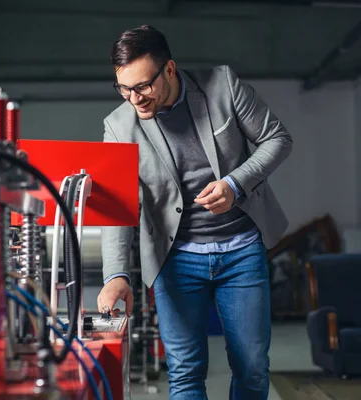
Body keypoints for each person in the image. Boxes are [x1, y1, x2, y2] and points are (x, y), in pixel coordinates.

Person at [97, 25, 292, 399]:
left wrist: (235, 185)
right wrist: (116, 275)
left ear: (169, 70)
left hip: (242, 250)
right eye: (123, 89)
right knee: (185, 372)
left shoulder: (223, 85)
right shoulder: (119, 127)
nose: (134, 99)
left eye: (142, 86)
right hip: (175, 259)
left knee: (251, 367)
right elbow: (120, 208)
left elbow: (277, 138)